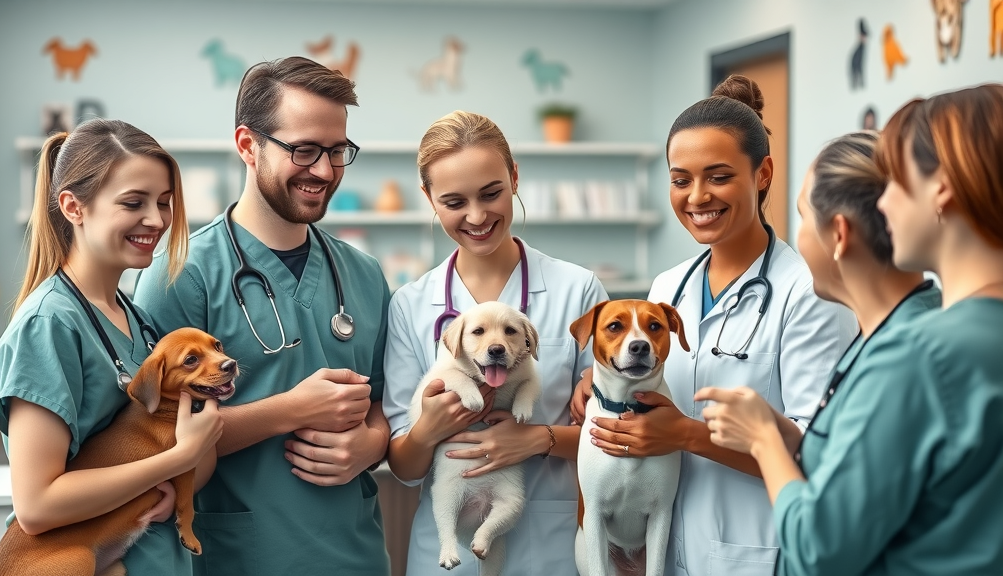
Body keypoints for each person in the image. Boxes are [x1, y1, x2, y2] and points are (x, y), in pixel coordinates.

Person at [698, 84, 1003, 575]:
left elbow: (822, 549)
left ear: (940, 191)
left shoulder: (920, 352)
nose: (885, 207)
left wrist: (764, 440)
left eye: (899, 184)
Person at [570, 75, 857, 576]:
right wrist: (600, 383)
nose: (697, 196)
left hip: (754, 553)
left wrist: (688, 435)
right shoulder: (667, 288)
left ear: (763, 173)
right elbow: (646, 388)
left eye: (719, 176)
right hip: (658, 556)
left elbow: (822, 455)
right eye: (681, 180)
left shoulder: (808, 292)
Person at [133, 57, 392, 576]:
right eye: (304, 150)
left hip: (355, 553)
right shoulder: (182, 275)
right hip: (241, 555)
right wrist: (289, 409)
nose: (324, 170)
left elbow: (387, 404)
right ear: (248, 146)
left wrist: (372, 443)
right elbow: (152, 435)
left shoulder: (364, 275)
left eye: (337, 151)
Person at [382, 110, 609, 576]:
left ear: (515, 178)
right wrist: (429, 428)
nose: (478, 216)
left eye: (491, 193)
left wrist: (536, 439)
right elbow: (404, 465)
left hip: (550, 544)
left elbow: (610, 435)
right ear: (428, 199)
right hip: (450, 553)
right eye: (454, 201)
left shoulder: (578, 290)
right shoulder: (410, 303)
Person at [0, 118, 222, 575]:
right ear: (73, 207)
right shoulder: (49, 326)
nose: (156, 220)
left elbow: (175, 450)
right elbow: (37, 506)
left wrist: (176, 479)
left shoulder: (135, 317)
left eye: (163, 202)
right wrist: (178, 460)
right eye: (133, 203)